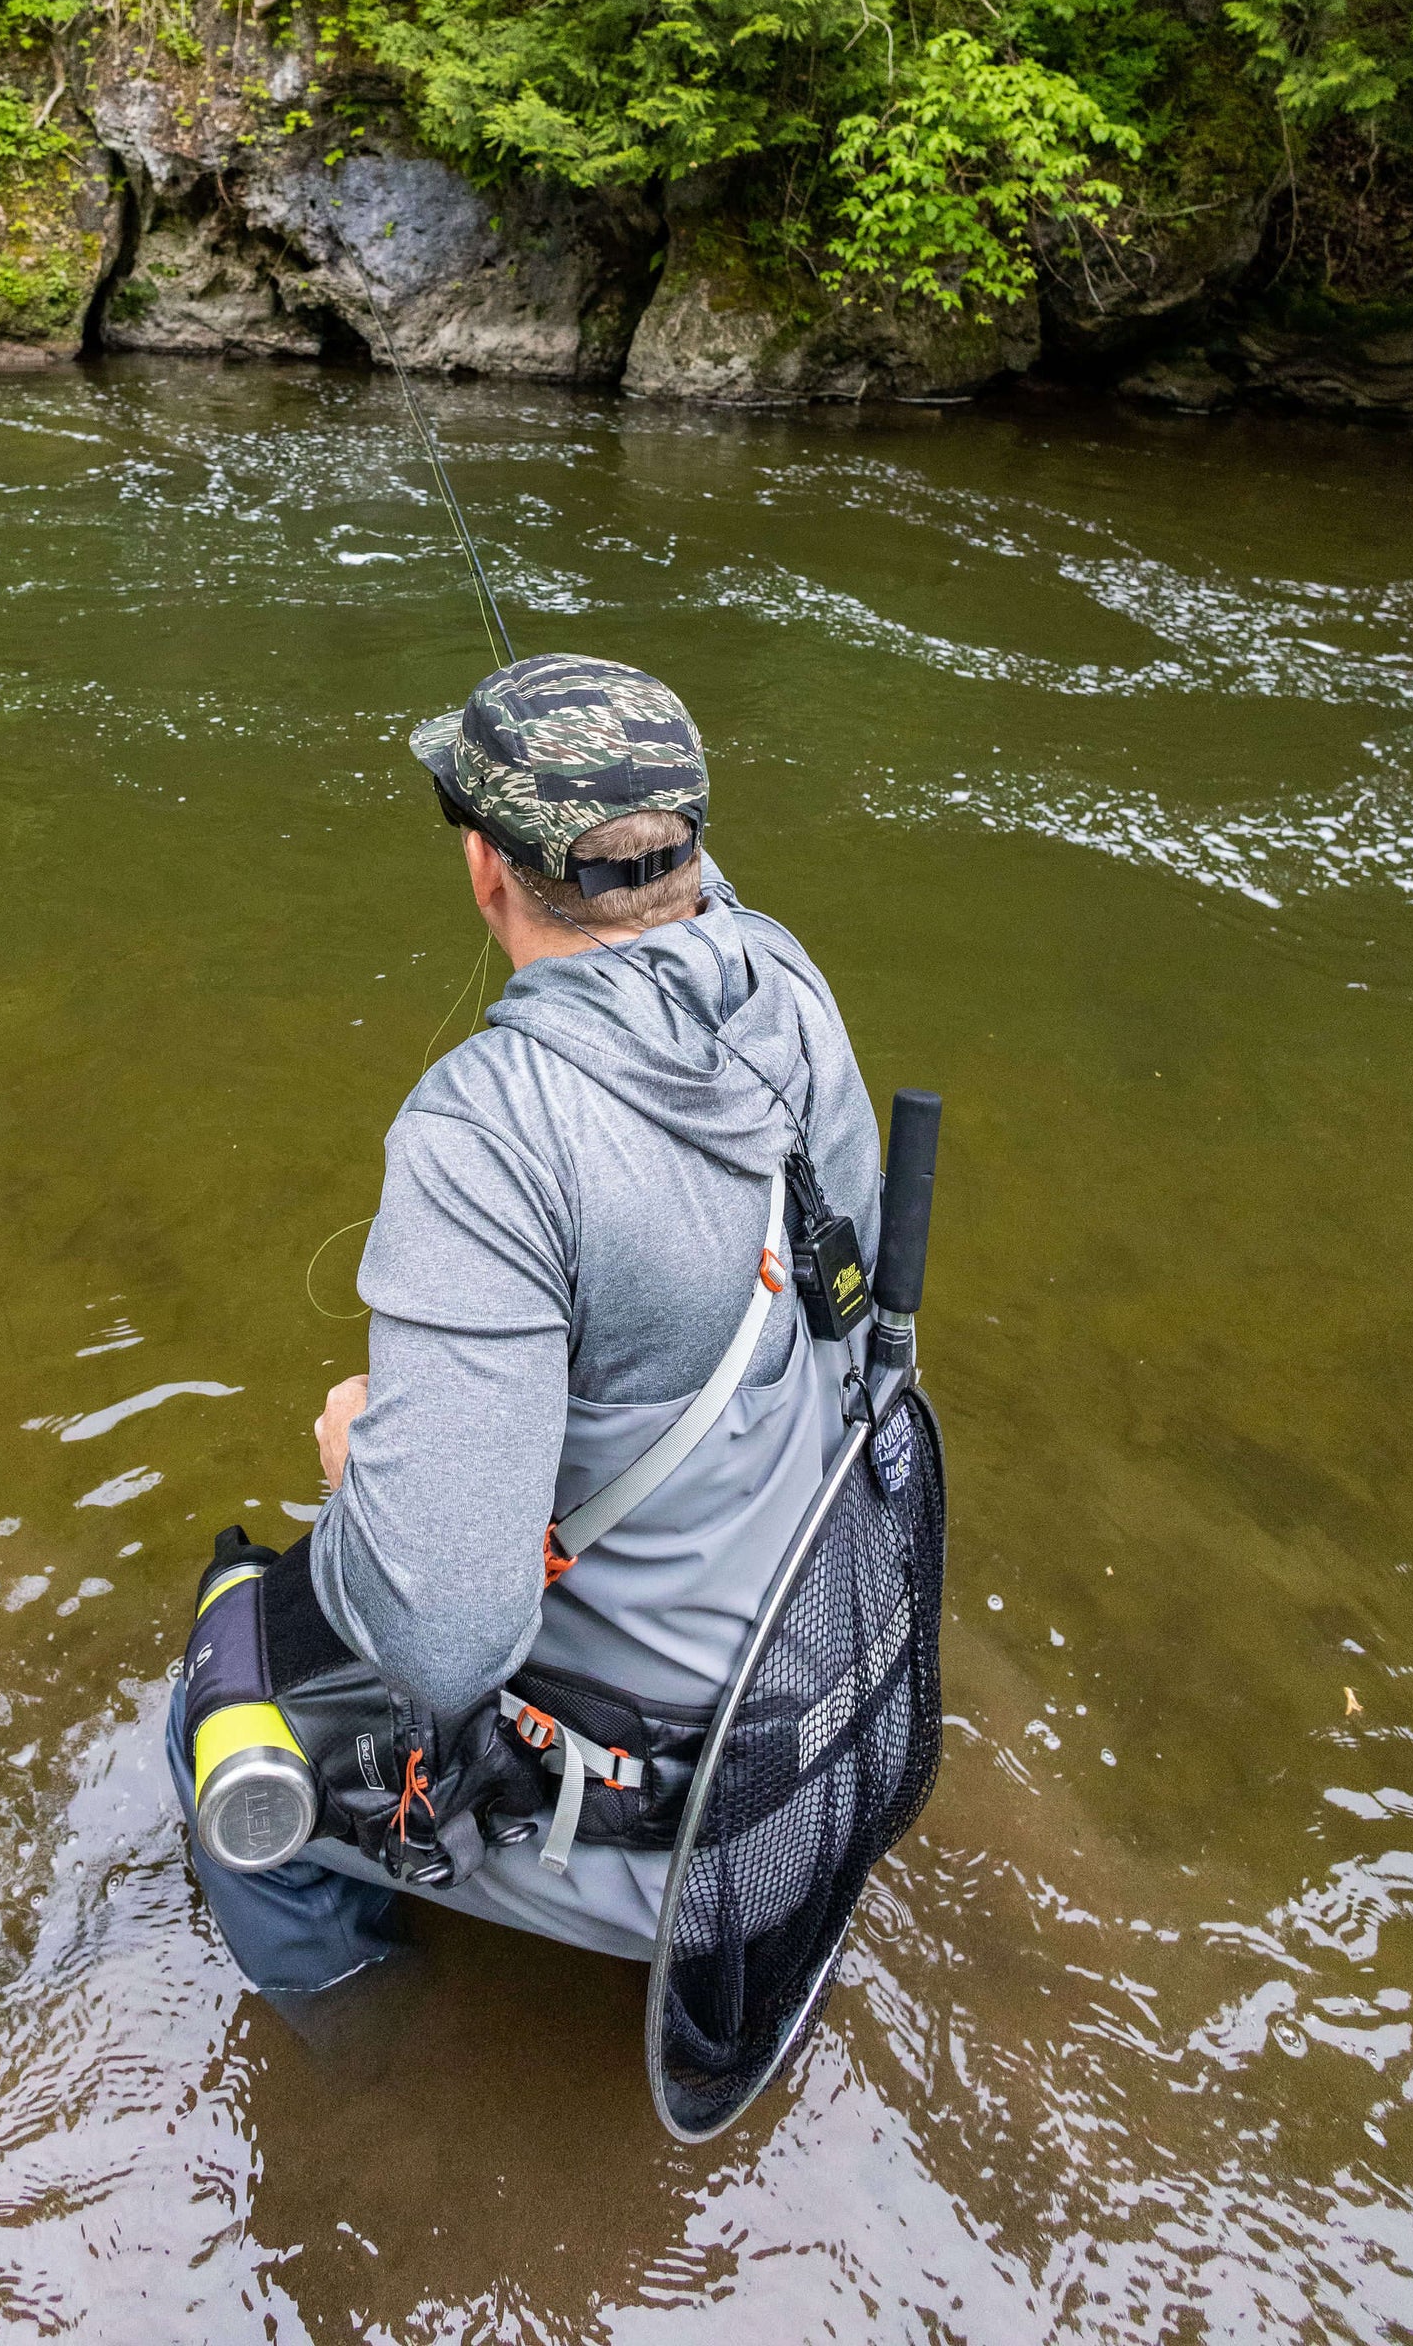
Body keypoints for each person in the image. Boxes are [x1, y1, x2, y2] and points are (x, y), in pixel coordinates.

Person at [167, 651, 883, 1997]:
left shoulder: (488, 1133)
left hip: (688, 1830)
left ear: (485, 869)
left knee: (222, 1700)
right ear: (688, 849)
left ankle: (359, 2083)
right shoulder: (786, 984)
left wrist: (358, 1471)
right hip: (829, 1721)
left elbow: (445, 1642)